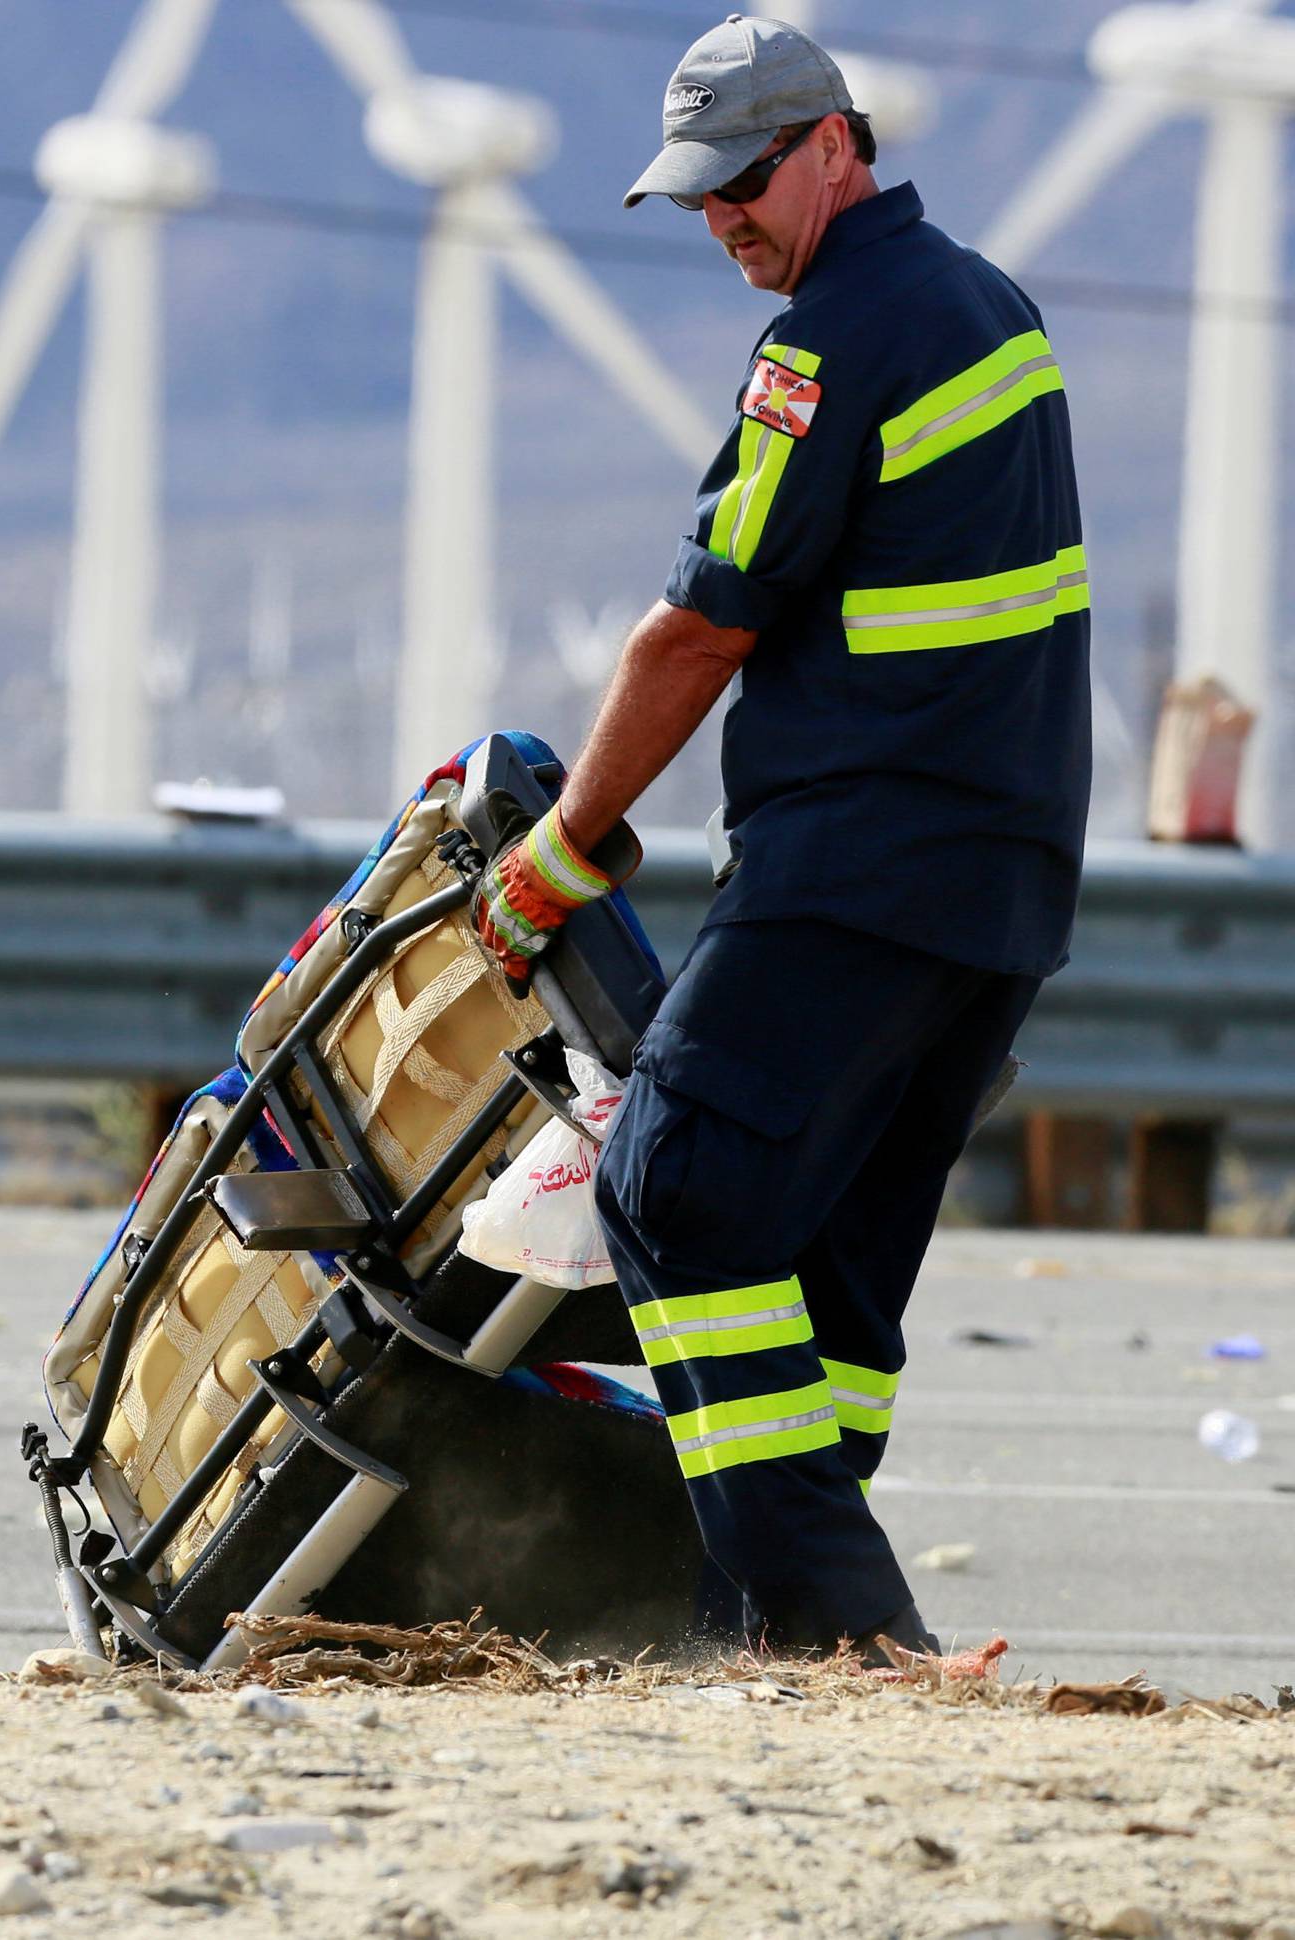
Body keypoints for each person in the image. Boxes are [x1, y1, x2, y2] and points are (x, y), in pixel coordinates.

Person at [473, 13, 1090, 1659]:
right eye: (697, 196)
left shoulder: (830, 342)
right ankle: (751, 1642)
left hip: (861, 865)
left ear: (836, 144)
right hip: (1002, 892)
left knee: (673, 1190)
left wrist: (563, 849)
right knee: (834, 1291)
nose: (723, 218)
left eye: (743, 181)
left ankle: (844, 1644)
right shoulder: (989, 306)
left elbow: (698, 631)